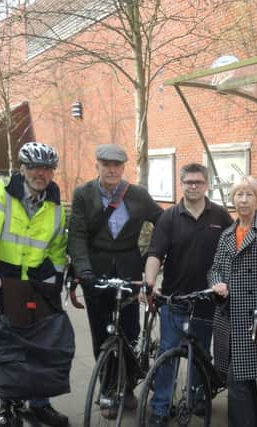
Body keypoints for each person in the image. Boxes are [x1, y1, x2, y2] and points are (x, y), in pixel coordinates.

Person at [0, 142, 69, 427]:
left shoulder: (54, 203)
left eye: (48, 169)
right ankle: (6, 407)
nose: (42, 173)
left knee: (44, 346)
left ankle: (40, 405)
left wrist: (55, 282)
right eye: (35, 167)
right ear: (22, 168)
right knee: (8, 345)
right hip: (1, 279)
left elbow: (56, 247)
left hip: (36, 285)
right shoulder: (0, 190)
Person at [67, 144, 163, 409]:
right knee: (102, 333)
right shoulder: (83, 194)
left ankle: (128, 386)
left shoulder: (138, 195)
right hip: (94, 272)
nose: (111, 169)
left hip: (129, 270)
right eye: (106, 164)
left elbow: (163, 222)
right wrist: (83, 270)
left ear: (123, 168)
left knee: (130, 331)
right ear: (97, 165)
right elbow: (77, 235)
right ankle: (108, 389)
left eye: (117, 165)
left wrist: (153, 256)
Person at [144, 163, 233, 426]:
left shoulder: (221, 216)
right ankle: (160, 408)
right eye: (188, 182)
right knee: (167, 354)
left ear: (206, 184)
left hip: (207, 301)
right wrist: (149, 284)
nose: (193, 186)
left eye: (198, 182)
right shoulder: (168, 217)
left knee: (201, 354)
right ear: (180, 184)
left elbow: (232, 253)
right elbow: (155, 254)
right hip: (175, 299)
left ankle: (196, 398)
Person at [209, 176, 257, 427]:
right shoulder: (227, 233)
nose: (243, 199)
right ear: (232, 199)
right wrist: (217, 282)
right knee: (239, 378)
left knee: (238, 378)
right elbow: (214, 268)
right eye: (239, 194)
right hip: (228, 317)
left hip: (254, 315)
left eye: (249, 194)